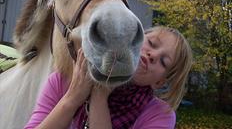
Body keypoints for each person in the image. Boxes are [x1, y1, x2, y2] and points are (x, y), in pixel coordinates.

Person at [25, 26, 193, 129]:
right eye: (151, 43)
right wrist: (73, 97)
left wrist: (99, 95)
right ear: (134, 39)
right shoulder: (62, 80)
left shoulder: (159, 114)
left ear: (159, 82)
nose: (152, 55)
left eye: (163, 62)